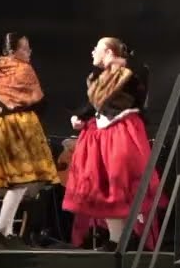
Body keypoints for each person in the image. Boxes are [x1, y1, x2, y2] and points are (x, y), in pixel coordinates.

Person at [0, 33, 60, 247]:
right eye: (25, 48)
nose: (29, 52)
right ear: (12, 51)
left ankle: (4, 231)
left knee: (11, 181)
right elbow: (39, 101)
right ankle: (1, 230)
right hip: (19, 126)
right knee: (22, 180)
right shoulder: (24, 69)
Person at [63, 37, 160, 250]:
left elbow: (132, 86)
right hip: (105, 134)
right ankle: (119, 238)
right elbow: (95, 104)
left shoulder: (130, 73)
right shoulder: (100, 78)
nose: (92, 53)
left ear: (107, 51)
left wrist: (121, 61)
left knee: (121, 183)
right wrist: (81, 118)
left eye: (96, 49)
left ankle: (127, 237)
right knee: (106, 186)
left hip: (122, 133)